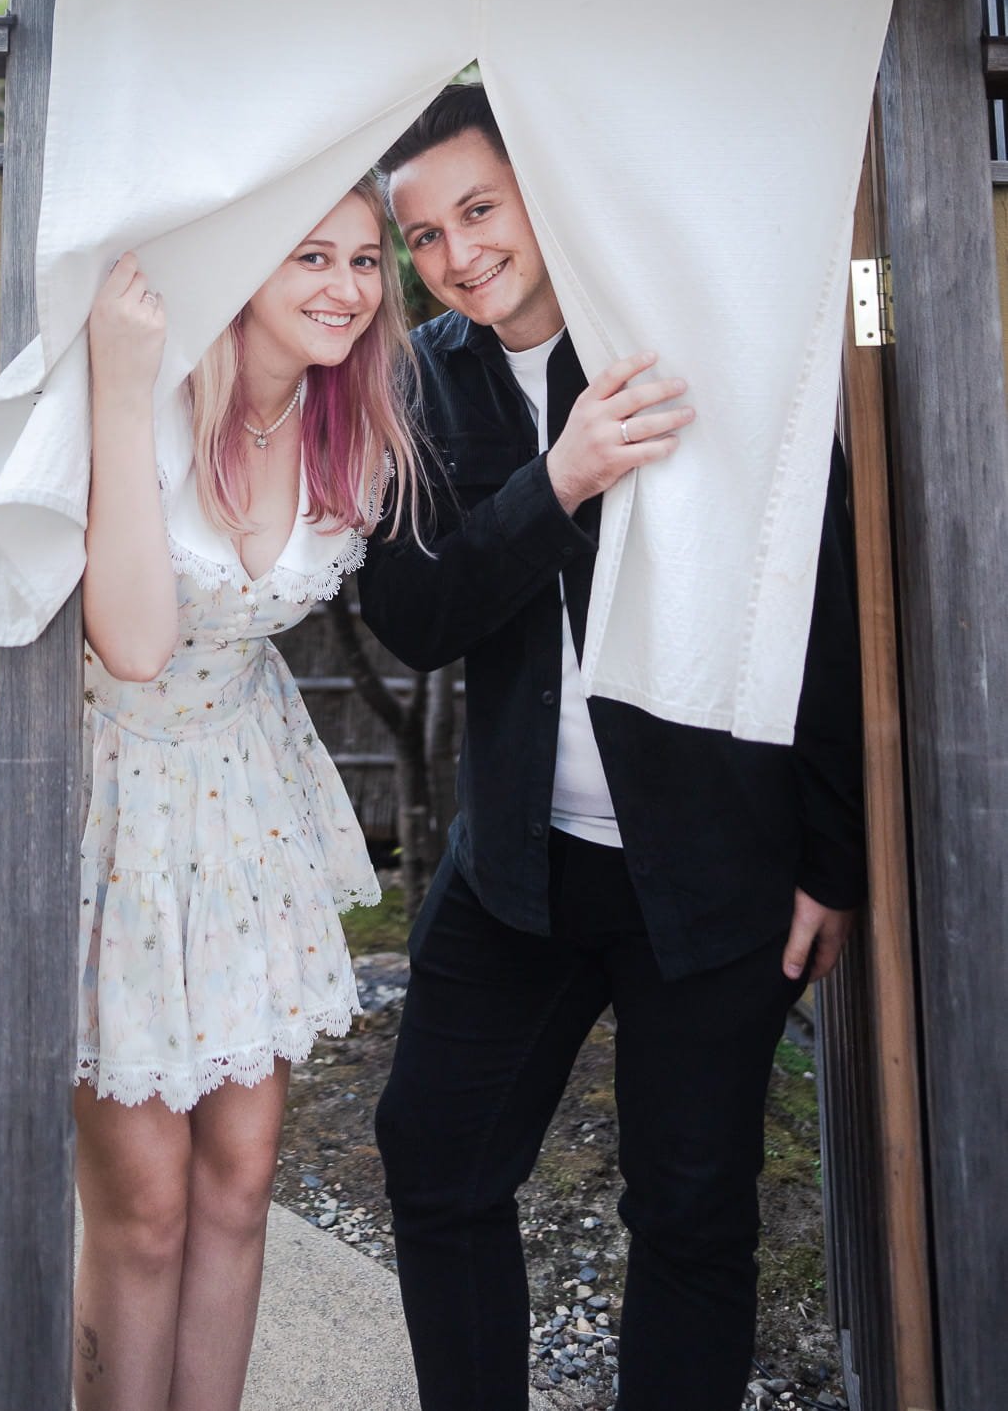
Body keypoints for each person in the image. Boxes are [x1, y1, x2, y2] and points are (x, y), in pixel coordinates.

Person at [358, 83, 864, 1411]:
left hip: (709, 868)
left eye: (479, 208)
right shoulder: (419, 383)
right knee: (433, 1152)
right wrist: (560, 481)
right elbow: (411, 614)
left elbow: (819, 599)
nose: (459, 253)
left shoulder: (678, 337)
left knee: (693, 1208)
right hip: (519, 860)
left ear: (541, 188)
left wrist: (834, 858)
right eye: (423, 235)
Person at [75, 175, 422, 1411]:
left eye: (366, 261)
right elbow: (129, 640)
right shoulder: (155, 404)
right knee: (148, 1204)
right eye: (309, 259)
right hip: (119, 802)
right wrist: (121, 389)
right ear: (245, 268)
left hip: (246, 793)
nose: (345, 289)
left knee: (241, 1175)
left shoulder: (356, 427)